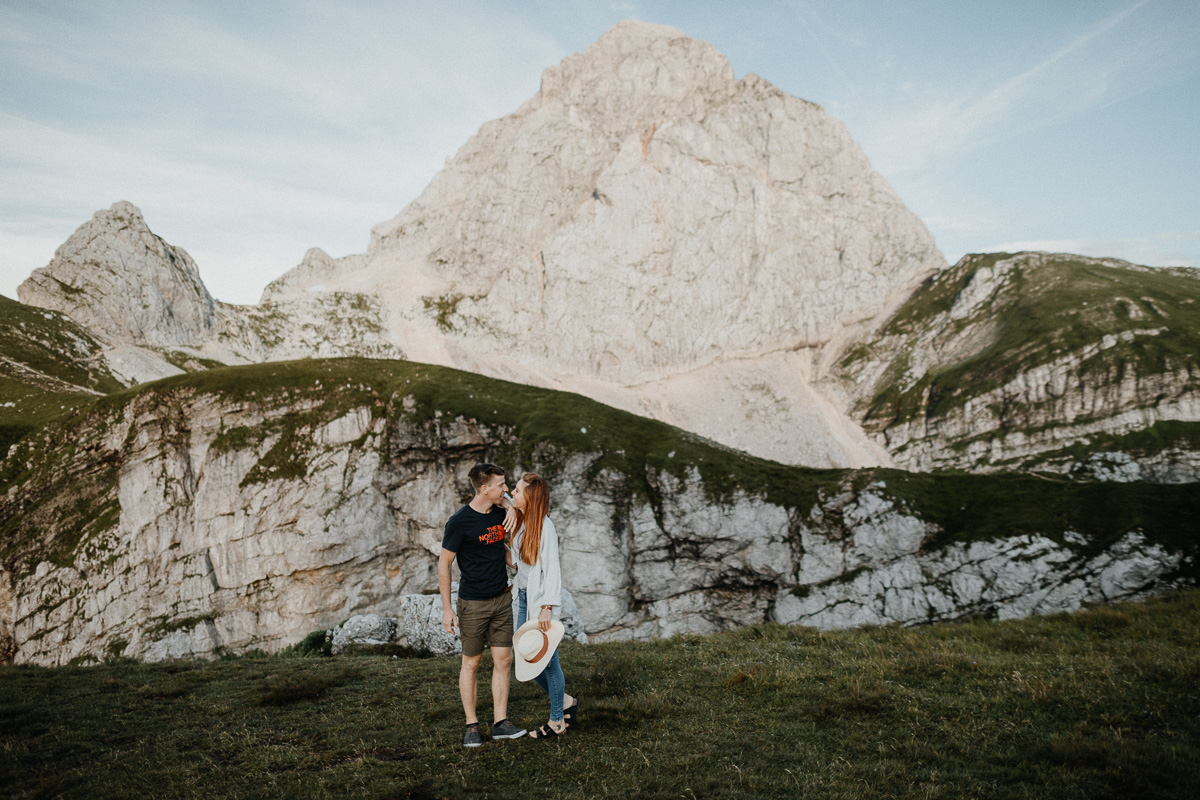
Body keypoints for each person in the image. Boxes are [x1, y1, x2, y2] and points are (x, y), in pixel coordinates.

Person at [440, 463, 527, 747]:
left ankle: (501, 722)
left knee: (503, 660)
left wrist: (512, 507)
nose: (506, 488)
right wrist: (447, 609)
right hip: (473, 603)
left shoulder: (502, 511)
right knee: (472, 663)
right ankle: (472, 725)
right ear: (485, 488)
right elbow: (445, 564)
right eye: (501, 484)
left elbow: (504, 538)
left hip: (502, 598)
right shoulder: (459, 522)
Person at [508, 472, 577, 739]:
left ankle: (557, 721)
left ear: (530, 497)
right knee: (527, 657)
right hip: (523, 598)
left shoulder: (545, 527)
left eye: (516, 490)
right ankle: (566, 701)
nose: (512, 493)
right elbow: (515, 563)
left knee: (548, 662)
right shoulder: (521, 521)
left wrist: (548, 606)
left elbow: (552, 570)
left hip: (540, 603)